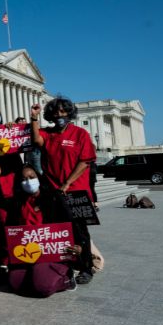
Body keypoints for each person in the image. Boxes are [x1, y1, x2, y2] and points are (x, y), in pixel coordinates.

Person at [30, 96, 97, 284]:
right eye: (56, 112)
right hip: (53, 191)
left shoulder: (80, 133)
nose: (60, 115)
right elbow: (36, 140)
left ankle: (86, 267)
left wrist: (67, 183)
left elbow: (85, 161)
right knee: (58, 230)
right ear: (50, 115)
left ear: (69, 113)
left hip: (76, 191)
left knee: (79, 232)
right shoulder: (48, 133)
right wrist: (34, 118)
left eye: (63, 111)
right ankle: (63, 263)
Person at [6, 164, 88, 297]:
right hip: (27, 254)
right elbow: (11, 229)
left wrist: (79, 246)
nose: (28, 181)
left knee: (42, 286)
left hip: (51, 255)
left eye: (31, 177)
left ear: (38, 178)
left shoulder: (54, 197)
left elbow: (70, 223)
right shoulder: (16, 203)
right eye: (24, 179)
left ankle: (67, 279)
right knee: (15, 283)